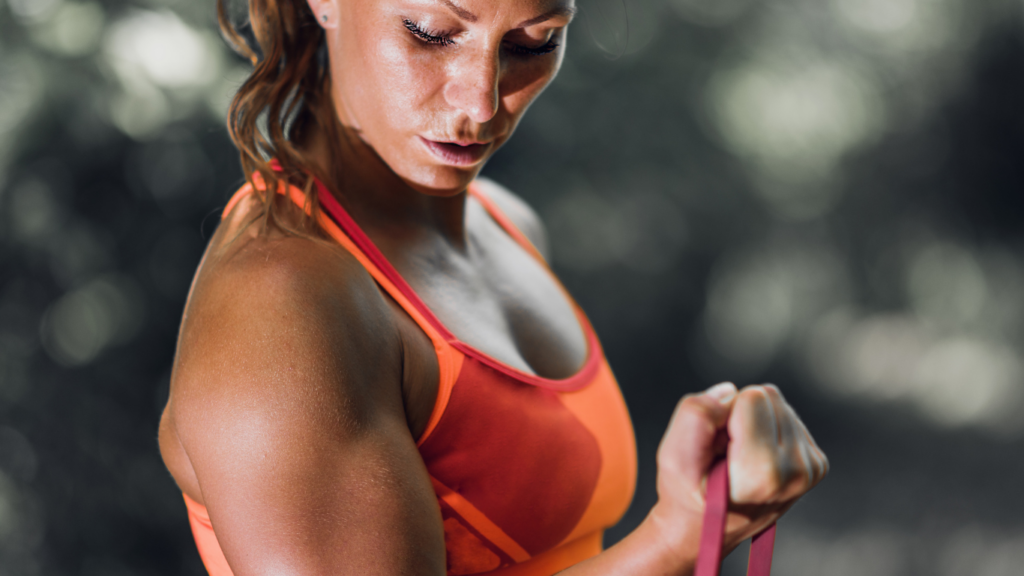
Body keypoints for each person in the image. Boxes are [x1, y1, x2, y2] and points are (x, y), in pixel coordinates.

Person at [157, 0, 829, 574]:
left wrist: (711, 504)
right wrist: (673, 542)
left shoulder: (509, 225)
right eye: (429, 30)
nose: (480, 99)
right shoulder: (282, 302)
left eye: (534, 42)